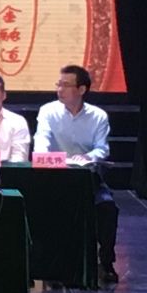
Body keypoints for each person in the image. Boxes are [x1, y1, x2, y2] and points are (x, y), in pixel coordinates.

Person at [35, 65, 119, 281]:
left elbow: (102, 149)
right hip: (55, 177)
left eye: (65, 85)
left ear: (81, 89)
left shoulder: (98, 116)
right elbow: (41, 141)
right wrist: (46, 157)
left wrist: (87, 157)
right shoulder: (48, 111)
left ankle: (106, 260)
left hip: (87, 178)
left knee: (107, 207)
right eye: (58, 84)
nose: (59, 90)